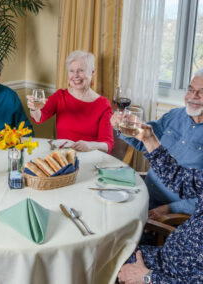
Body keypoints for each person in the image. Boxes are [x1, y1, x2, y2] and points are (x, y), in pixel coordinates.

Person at [117, 124, 203, 283]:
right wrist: (149, 138)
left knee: (100, 262)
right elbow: (179, 179)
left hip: (166, 276)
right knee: (104, 250)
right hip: (164, 257)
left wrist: (147, 277)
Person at [111, 69, 203, 218]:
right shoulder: (175, 116)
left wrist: (170, 209)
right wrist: (121, 126)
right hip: (143, 195)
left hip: (168, 215)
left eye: (201, 92)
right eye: (191, 89)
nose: (193, 96)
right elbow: (144, 142)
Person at [26, 50, 114, 153]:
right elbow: (39, 118)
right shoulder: (60, 96)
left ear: (92, 72)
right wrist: (34, 108)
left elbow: (108, 144)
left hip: (90, 156)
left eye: (81, 70)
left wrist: (89, 145)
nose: (75, 75)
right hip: (64, 156)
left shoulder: (103, 104)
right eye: (71, 71)